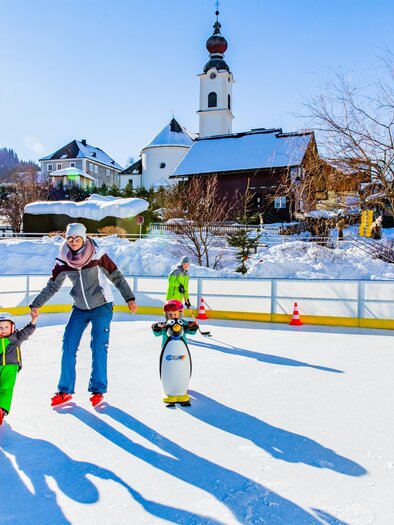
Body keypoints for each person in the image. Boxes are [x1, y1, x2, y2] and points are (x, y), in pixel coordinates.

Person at [29, 223, 137, 408]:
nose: (73, 242)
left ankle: (98, 389)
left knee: (98, 345)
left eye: (77, 238)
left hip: (102, 306)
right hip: (79, 308)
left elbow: (116, 276)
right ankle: (64, 391)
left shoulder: (97, 255)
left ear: (84, 238)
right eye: (70, 239)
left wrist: (129, 298)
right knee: (68, 344)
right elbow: (53, 285)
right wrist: (36, 303)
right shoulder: (64, 259)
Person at [152, 299, 198, 406]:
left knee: (182, 368)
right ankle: (169, 390)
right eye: (170, 314)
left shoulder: (183, 324)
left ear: (180, 314)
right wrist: (156, 327)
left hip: (181, 350)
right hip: (168, 352)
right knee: (169, 369)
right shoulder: (165, 325)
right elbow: (156, 332)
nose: (173, 316)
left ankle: (182, 388)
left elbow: (191, 331)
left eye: (175, 314)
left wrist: (193, 326)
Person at [0, 311, 37, 425]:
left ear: (12, 327)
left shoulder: (16, 337)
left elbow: (27, 331)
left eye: (7, 326)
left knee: (6, 388)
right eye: (0, 327)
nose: (4, 329)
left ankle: (2, 410)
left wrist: (33, 321)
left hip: (11, 367)